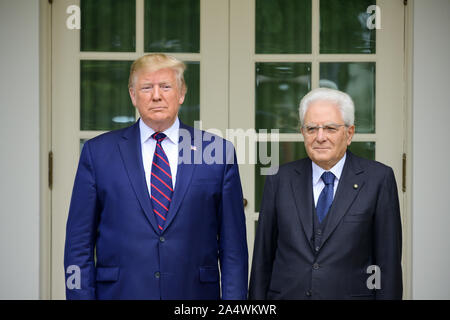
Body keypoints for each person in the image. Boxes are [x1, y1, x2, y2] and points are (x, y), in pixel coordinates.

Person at [64, 53, 248, 300]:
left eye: (166, 86)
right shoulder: (98, 153)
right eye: (147, 87)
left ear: (181, 93)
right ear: (132, 95)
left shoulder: (216, 152)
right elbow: (78, 245)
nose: (156, 95)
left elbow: (233, 248)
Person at [249, 87, 402, 300]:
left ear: (349, 134)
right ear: (303, 133)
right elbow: (262, 259)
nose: (320, 137)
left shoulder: (378, 179)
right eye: (312, 129)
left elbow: (388, 264)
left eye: (330, 128)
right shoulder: (279, 179)